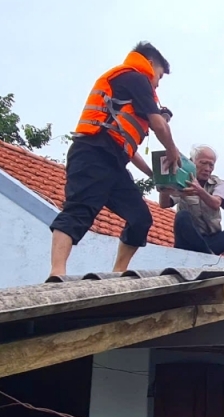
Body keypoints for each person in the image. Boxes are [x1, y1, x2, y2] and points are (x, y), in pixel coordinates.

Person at [46, 42, 183, 282]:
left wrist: (153, 174)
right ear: (150, 63)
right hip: (91, 153)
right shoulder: (134, 77)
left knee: (140, 218)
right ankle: (57, 273)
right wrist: (172, 151)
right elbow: (158, 124)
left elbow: (127, 148)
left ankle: (118, 273)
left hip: (113, 162)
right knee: (79, 209)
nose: (158, 83)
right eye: (160, 76)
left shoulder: (134, 88)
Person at [159, 144, 224, 260]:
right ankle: (208, 257)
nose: (207, 168)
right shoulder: (183, 180)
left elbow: (216, 203)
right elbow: (164, 204)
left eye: (211, 165)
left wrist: (200, 191)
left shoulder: (219, 183)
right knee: (182, 216)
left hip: (212, 242)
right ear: (192, 162)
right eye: (203, 163)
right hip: (187, 244)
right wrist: (163, 185)